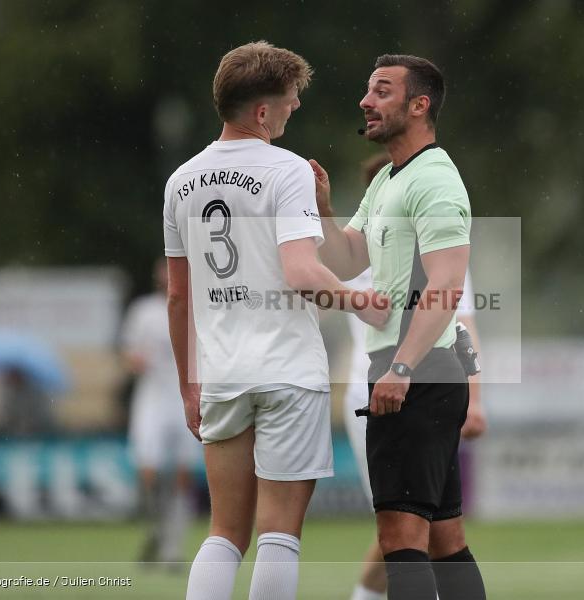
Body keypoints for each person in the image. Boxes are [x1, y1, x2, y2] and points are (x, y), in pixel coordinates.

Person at [162, 41, 389, 600]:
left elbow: (178, 298)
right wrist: (363, 302)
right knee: (279, 535)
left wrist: (189, 383)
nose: (294, 108)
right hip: (287, 370)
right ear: (262, 113)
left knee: (223, 534)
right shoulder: (287, 171)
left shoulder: (180, 182)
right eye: (289, 100)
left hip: (221, 372)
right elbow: (302, 272)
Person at [311, 55, 487, 599]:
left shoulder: (434, 180)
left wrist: (403, 367)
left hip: (416, 371)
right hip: (416, 371)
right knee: (443, 537)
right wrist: (322, 210)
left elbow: (446, 287)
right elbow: (344, 260)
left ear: (419, 105)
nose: (366, 100)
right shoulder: (389, 177)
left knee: (399, 536)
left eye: (382, 91)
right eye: (368, 90)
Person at [342, 155, 487, 600]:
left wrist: (474, 399)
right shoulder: (373, 247)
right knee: (417, 528)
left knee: (410, 526)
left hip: (409, 383)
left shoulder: (429, 243)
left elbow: (461, 326)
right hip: (385, 386)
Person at [121, 259, 201, 567]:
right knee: (149, 470)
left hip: (185, 397)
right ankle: (157, 528)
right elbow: (127, 351)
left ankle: (173, 546)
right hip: (152, 399)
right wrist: (134, 360)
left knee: (183, 475)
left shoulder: (198, 309)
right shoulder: (143, 311)